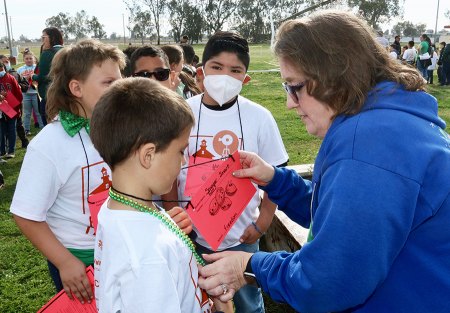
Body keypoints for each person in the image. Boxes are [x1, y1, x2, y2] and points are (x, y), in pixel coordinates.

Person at [198, 10, 450, 313]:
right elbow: (340, 218)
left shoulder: (370, 144)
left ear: (333, 76)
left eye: (295, 86)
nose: (290, 102)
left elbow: (326, 283)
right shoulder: (382, 125)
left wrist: (249, 265)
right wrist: (275, 180)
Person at [90, 77, 232, 313]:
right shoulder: (147, 255)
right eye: (180, 150)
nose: (184, 160)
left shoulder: (121, 206)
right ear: (148, 155)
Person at [174, 31, 289, 313]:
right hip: (191, 234)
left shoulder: (259, 117)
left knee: (248, 302)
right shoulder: (181, 113)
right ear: (201, 72)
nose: (225, 76)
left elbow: (277, 176)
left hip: (242, 237)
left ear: (245, 78)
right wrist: (176, 220)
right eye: (217, 67)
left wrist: (261, 224)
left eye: (235, 70)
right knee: (199, 300)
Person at [10, 39, 126, 303]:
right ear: (76, 88)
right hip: (79, 259)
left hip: (120, 248)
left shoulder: (118, 128)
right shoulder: (49, 144)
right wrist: (65, 263)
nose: (121, 89)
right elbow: (25, 214)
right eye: (109, 83)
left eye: (121, 80)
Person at [32, 27, 64, 126]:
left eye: (43, 37)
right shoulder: (68, 51)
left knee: (50, 126)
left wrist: (33, 77)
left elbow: (44, 76)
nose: (42, 41)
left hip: (49, 95)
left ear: (52, 37)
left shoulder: (48, 53)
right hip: (65, 95)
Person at [17, 50, 45, 135]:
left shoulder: (37, 68)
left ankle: (42, 128)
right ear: (24, 59)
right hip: (26, 94)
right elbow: (18, 81)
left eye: (30, 58)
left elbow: (41, 78)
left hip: (36, 94)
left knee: (38, 112)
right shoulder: (20, 69)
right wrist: (24, 78)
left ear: (34, 59)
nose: (29, 60)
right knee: (27, 113)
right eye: (26, 58)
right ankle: (27, 129)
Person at [0, 62, 23, 159]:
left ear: (2, 68)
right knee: (2, 130)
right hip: (1, 109)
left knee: (11, 129)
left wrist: (17, 108)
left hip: (11, 107)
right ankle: (2, 150)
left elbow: (18, 93)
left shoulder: (10, 78)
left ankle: (11, 150)